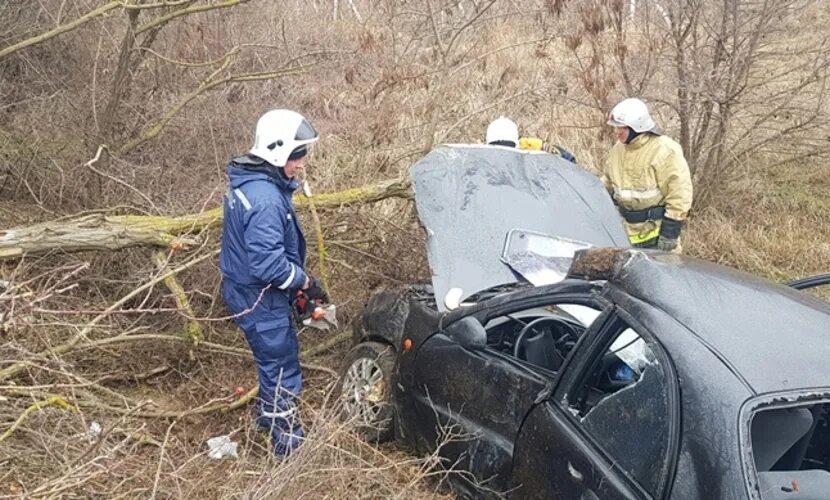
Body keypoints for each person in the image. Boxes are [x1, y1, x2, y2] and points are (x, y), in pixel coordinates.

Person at [219, 108, 327, 456]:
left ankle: (267, 418)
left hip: (248, 290)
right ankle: (287, 440)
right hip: (258, 295)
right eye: (297, 156)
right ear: (277, 151)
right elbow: (268, 263)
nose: (301, 163)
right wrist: (303, 281)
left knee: (271, 359)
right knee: (281, 364)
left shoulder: (250, 182)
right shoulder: (265, 199)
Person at [603, 97, 693, 252]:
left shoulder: (665, 150)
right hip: (623, 235)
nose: (617, 132)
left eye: (622, 128)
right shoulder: (618, 150)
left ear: (636, 127)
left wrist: (670, 233)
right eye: (616, 128)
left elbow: (680, 193)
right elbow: (607, 181)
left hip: (656, 236)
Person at [485, 117, 577, 163]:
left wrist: (545, 149)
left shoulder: (530, 151)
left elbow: (569, 162)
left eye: (508, 147)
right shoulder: (485, 160)